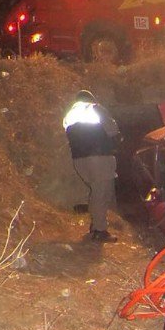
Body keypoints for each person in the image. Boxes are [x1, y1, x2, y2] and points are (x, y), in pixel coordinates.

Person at [63, 90, 122, 243]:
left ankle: (95, 225)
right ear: (91, 99)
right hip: (99, 157)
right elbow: (112, 130)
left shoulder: (69, 115)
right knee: (102, 193)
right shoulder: (94, 108)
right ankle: (100, 230)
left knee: (97, 191)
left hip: (79, 160)